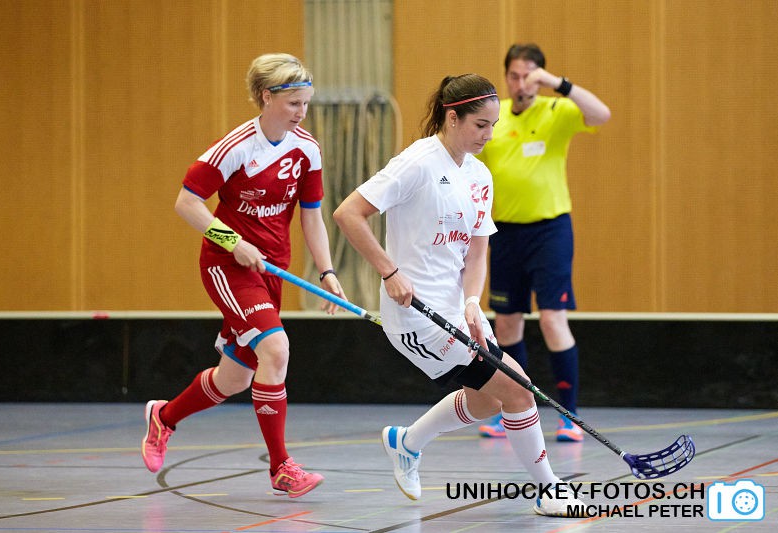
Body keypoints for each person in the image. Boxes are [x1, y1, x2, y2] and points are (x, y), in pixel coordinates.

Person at [333, 73, 584, 517]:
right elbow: (348, 213)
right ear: (453, 117)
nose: (489, 135)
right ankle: (550, 490)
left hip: (455, 308)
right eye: (481, 125)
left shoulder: (480, 174)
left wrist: (472, 301)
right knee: (520, 391)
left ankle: (406, 442)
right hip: (416, 316)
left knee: (488, 401)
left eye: (493, 125)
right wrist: (389, 271)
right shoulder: (417, 163)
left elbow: (477, 251)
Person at [141, 53, 346, 498]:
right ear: (266, 97)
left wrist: (327, 271)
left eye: (306, 103)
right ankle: (282, 468)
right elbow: (187, 202)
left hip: (272, 270)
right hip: (226, 267)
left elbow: (312, 216)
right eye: (293, 103)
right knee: (276, 349)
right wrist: (234, 242)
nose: (301, 113)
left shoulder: (306, 148)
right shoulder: (236, 147)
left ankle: (164, 417)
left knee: (234, 378)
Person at [476, 43, 611, 442]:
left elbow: (601, 114)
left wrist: (556, 84)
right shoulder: (494, 117)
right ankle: (513, 406)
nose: (522, 84)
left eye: (530, 76)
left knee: (553, 317)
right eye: (515, 76)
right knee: (506, 322)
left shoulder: (556, 111)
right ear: (506, 78)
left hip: (550, 231)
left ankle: (569, 415)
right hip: (505, 232)